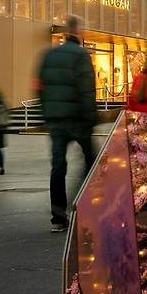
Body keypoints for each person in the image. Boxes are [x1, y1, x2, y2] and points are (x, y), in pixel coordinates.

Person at [38, 15, 97, 232]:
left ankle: (58, 216)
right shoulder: (81, 55)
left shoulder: (49, 55)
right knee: (91, 162)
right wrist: (91, 119)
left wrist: (47, 114)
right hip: (78, 119)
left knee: (58, 166)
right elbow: (86, 89)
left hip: (56, 121)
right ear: (78, 31)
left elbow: (39, 86)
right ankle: (84, 205)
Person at [0, 87, 9, 175]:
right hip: (1, 128)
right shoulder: (2, 103)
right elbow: (8, 113)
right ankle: (1, 167)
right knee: (0, 148)